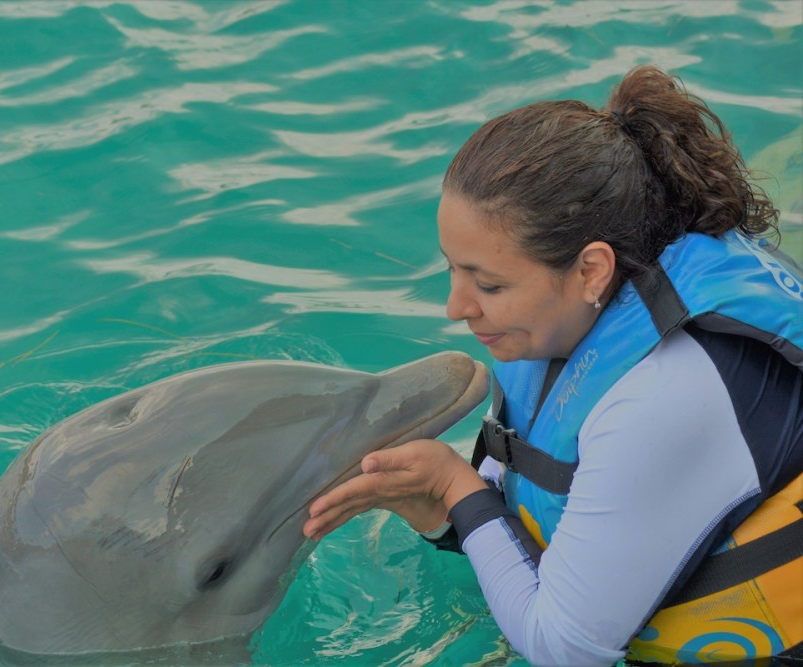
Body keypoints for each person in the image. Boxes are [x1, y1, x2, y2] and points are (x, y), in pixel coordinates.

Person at [302, 65, 803, 666]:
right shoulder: (573, 319)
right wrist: (448, 513)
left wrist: (453, 485)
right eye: (453, 269)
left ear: (592, 269)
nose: (456, 307)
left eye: (488, 283)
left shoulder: (666, 395)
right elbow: (561, 492)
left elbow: (566, 648)